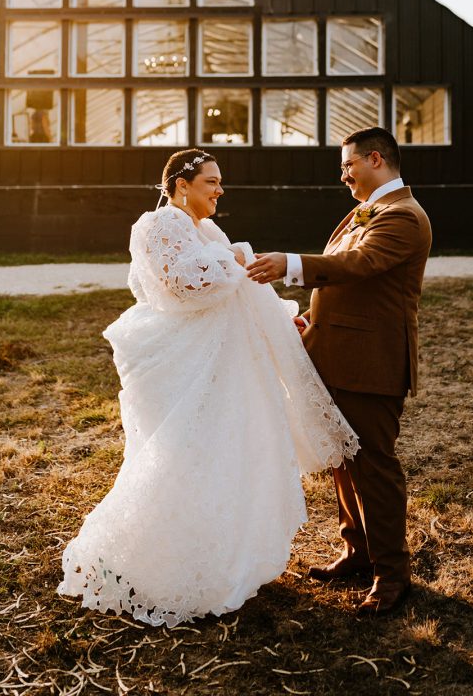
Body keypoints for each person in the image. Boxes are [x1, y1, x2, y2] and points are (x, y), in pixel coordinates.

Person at [57, 148, 358, 627]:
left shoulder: (209, 231)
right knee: (184, 455)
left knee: (226, 454)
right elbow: (185, 286)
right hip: (188, 363)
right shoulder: (158, 225)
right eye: (211, 182)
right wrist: (236, 256)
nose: (220, 190)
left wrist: (280, 314)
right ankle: (158, 564)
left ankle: (220, 560)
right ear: (181, 184)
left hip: (225, 363)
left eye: (220, 182)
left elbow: (242, 291)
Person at [247, 127, 432, 616]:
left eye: (348, 165)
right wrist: (313, 318)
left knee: (373, 467)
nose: (344, 175)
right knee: (342, 461)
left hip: (371, 363)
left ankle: (392, 575)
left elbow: (358, 264)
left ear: (376, 159)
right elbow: (348, 282)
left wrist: (288, 263)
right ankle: (358, 551)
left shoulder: (404, 216)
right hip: (335, 354)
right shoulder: (366, 210)